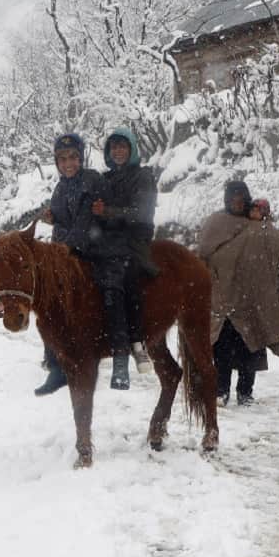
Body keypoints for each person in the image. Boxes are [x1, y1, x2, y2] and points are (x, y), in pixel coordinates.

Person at [196, 181, 279, 406]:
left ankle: (245, 392)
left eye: (240, 197)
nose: (237, 202)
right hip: (223, 297)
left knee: (250, 346)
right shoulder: (216, 222)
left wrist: (261, 223)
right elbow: (203, 254)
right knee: (222, 349)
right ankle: (221, 390)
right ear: (226, 199)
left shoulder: (257, 224)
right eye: (232, 197)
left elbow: (273, 247)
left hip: (251, 298)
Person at [34, 132, 102, 395]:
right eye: (62, 159)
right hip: (66, 252)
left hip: (92, 250)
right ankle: (55, 364)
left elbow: (86, 223)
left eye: (72, 157)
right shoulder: (60, 188)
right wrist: (53, 219)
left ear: (81, 158)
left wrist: (63, 251)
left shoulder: (91, 180)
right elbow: (62, 225)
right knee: (45, 296)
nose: (68, 163)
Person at [89, 127, 157, 390]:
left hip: (134, 241)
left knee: (115, 282)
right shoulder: (105, 179)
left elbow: (142, 213)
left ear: (131, 149)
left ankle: (127, 350)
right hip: (108, 242)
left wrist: (107, 212)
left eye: (122, 146)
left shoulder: (143, 176)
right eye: (113, 147)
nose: (117, 151)